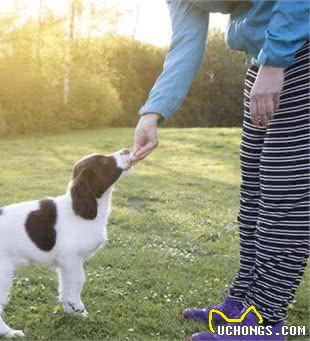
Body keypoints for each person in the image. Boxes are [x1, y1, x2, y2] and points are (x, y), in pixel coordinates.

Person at [129, 1, 309, 340]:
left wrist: (275, 60)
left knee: (284, 193)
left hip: (297, 50)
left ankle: (266, 322)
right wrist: (152, 112)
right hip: (265, 60)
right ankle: (243, 303)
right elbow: (187, 43)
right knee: (255, 195)